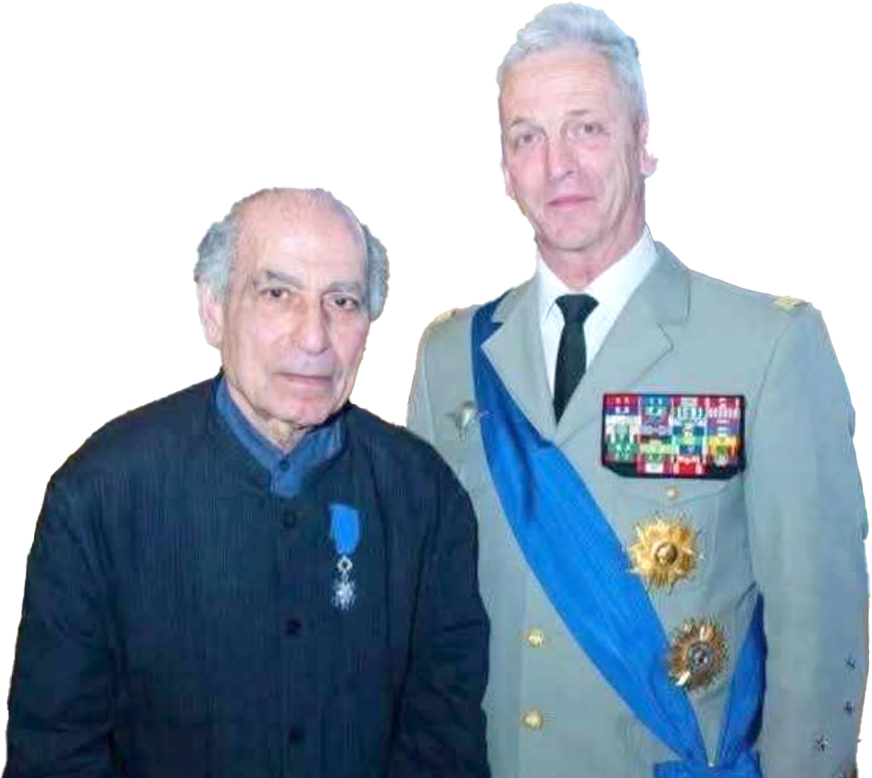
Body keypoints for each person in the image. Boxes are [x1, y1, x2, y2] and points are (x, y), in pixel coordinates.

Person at [405, 4, 869, 777]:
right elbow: (418, 610)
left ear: (645, 141)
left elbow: (819, 631)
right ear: (503, 170)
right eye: (526, 137)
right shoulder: (450, 356)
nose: (557, 165)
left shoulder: (767, 348)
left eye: (586, 128)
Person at [4, 186, 490, 778]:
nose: (314, 337)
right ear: (212, 310)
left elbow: (445, 739)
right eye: (277, 294)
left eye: (342, 301)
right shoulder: (99, 496)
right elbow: (53, 750)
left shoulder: (425, 496)